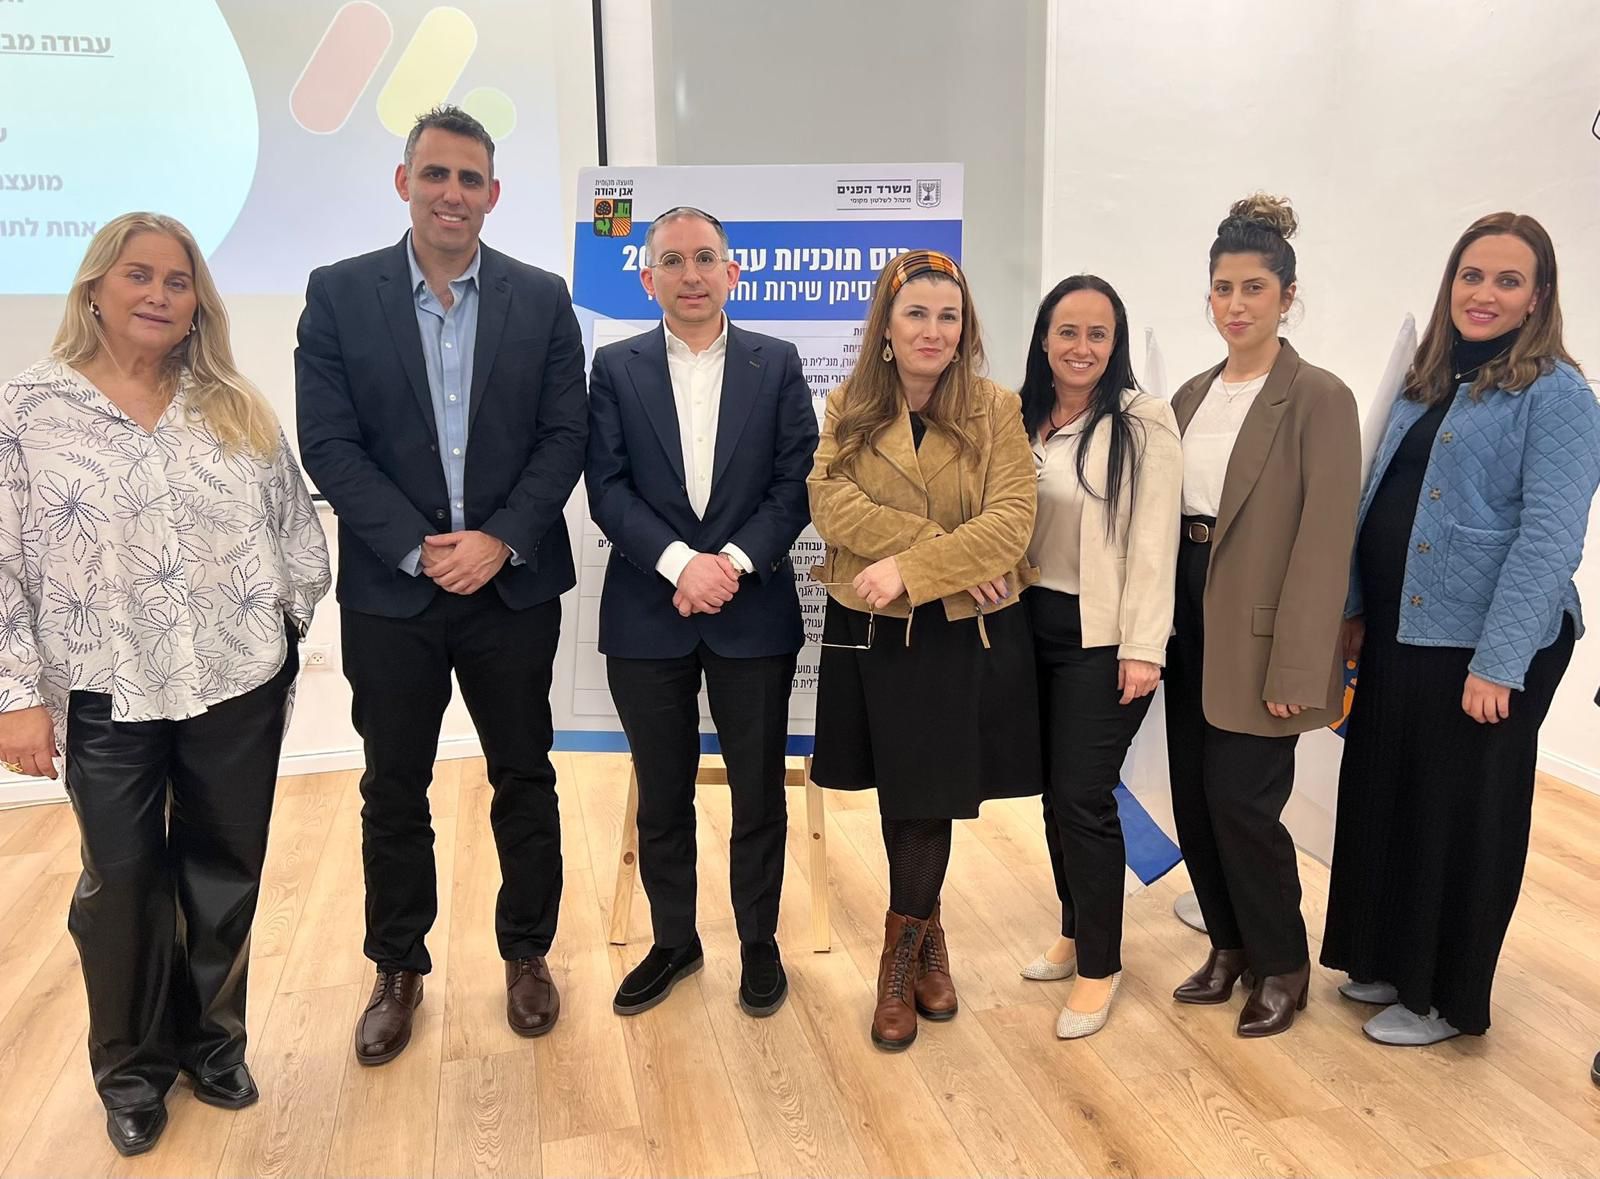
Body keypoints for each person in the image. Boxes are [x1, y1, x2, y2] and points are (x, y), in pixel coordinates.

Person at [0, 213, 329, 1155]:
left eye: (177, 281)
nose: (157, 294)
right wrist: (14, 695)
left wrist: (281, 633)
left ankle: (214, 1045)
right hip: (103, 691)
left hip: (235, 683)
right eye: (137, 274)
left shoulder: (235, 405)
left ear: (197, 304)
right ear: (94, 287)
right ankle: (132, 1072)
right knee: (125, 882)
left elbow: (297, 536)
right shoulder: (28, 411)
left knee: (224, 871)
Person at [295, 106, 587, 1064]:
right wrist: (420, 550)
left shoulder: (541, 299)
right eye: (435, 174)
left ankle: (527, 952)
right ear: (404, 182)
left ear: (493, 194)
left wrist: (499, 540)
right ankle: (396, 966)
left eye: (469, 179)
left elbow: (565, 437)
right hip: (393, 593)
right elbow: (329, 443)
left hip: (511, 590)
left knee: (525, 775)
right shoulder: (339, 294)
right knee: (394, 786)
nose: (451, 193)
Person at [1321, 212, 1600, 1045]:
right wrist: (1355, 607)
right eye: (1471, 275)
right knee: (1388, 793)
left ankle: (1444, 996)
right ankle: (1385, 956)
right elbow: (1375, 495)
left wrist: (1499, 663)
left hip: (1486, 645)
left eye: (1508, 280)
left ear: (1538, 297)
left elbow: (1550, 538)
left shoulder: (1558, 396)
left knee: (1462, 817)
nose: (1484, 293)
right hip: (1402, 627)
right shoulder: (1428, 377)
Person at [586, 207, 817, 1018]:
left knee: (758, 791)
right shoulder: (614, 367)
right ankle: (674, 940)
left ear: (732, 272)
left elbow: (797, 481)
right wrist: (683, 563)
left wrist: (734, 563)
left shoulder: (776, 362)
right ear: (648, 277)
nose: (691, 274)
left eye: (706, 258)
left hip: (752, 611)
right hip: (647, 611)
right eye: (674, 260)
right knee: (662, 793)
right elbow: (606, 486)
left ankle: (759, 942)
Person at [808, 249, 1041, 1051]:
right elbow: (828, 502)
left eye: (949, 315)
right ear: (887, 327)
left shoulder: (996, 408)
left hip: (953, 631)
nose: (933, 330)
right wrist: (941, 550)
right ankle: (928, 937)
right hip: (872, 628)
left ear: (965, 328)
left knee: (927, 795)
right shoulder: (848, 403)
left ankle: (898, 958)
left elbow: (1012, 523)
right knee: (902, 791)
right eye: (917, 314)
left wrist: (912, 568)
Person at [1165, 194, 1360, 1038]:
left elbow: (1325, 541)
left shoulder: (1319, 396)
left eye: (1253, 288)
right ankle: (1229, 942)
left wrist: (1299, 664)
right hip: (1186, 608)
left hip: (1261, 624)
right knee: (1194, 797)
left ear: (1287, 295)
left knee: (1244, 802)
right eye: (1223, 288)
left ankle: (1282, 962)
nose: (1236, 305)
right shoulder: (1189, 395)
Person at [1017, 276, 1182, 1038]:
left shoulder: (1144, 421)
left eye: (1098, 333)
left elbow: (1155, 541)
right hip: (1029, 626)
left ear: (1115, 344)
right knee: (1055, 793)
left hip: (1105, 636)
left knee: (1084, 795)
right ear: (1044, 338)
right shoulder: (1021, 417)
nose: (1081, 347)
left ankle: (1100, 964)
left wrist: (1144, 649)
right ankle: (1074, 926)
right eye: (1068, 331)